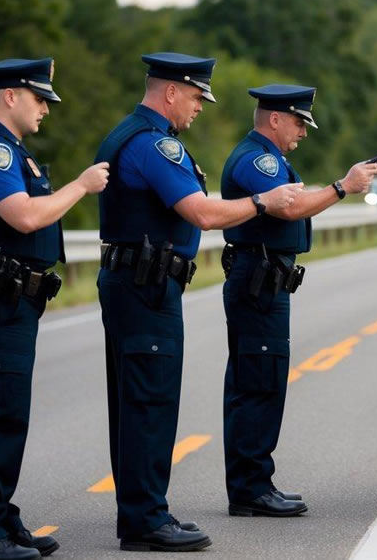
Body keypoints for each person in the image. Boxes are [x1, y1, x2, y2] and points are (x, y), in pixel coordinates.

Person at [94, 54, 301, 551]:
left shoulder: (130, 134)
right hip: (144, 287)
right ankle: (145, 520)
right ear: (170, 92)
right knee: (150, 402)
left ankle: (142, 510)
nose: (200, 106)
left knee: (137, 401)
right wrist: (262, 202)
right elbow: (202, 214)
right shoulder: (153, 145)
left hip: (136, 281)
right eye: (195, 95)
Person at [0, 58, 110, 560]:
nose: (46, 108)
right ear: (10, 96)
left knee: (8, 415)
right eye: (39, 98)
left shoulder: (14, 151)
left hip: (12, 299)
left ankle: (0, 518)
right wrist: (80, 185)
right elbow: (22, 216)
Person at [218, 84, 377, 517]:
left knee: (261, 380)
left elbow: (296, 202)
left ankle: (255, 482)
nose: (303, 132)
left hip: (264, 280)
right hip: (259, 282)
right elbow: (289, 209)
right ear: (275, 119)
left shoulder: (268, 158)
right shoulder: (260, 160)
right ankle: (250, 489)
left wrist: (332, 189)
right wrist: (342, 187)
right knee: (259, 383)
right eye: (298, 122)